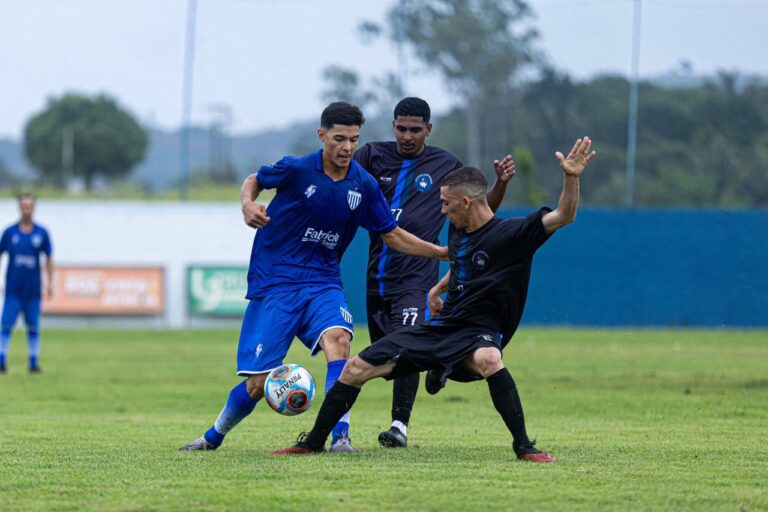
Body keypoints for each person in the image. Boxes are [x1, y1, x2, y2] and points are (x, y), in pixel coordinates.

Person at [271, 137, 597, 462]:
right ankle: (313, 443)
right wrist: (436, 290)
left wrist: (571, 176)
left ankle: (524, 446)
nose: (441, 210)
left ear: (466, 202)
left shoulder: (514, 234)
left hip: (478, 332)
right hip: (440, 328)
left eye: (445, 203)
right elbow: (462, 264)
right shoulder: (458, 231)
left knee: (489, 359)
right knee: (355, 368)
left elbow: (564, 215)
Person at [179, 101, 447, 453]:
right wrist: (247, 204)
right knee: (259, 385)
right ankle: (212, 437)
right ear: (322, 135)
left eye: (354, 139)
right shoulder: (297, 169)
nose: (347, 147)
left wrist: (441, 252)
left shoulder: (363, 184)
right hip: (277, 281)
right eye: (339, 139)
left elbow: (392, 234)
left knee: (339, 340)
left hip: (323, 281)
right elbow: (254, 180)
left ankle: (340, 437)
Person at [354, 97, 515, 448]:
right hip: (376, 278)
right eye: (401, 128)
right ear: (393, 126)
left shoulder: (446, 164)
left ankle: (399, 426)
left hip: (417, 278)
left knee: (405, 345)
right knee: (385, 353)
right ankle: (444, 362)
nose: (407, 136)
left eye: (415, 129)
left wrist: (500, 184)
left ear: (428, 129)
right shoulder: (370, 156)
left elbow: (478, 209)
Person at [0, 193, 54, 374]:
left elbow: (49, 258)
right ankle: (1, 362)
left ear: (34, 208)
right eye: (24, 206)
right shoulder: (9, 233)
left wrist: (50, 282)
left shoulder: (42, 233)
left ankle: (33, 363)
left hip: (33, 290)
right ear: (19, 207)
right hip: (13, 290)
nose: (27, 210)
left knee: (33, 327)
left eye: (30, 206)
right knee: (6, 326)